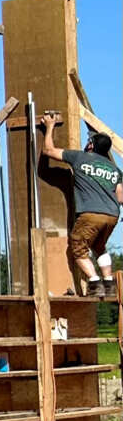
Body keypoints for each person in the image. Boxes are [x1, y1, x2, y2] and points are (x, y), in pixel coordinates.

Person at [38, 112, 122, 295]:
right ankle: (109, 284)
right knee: (99, 246)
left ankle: (94, 283)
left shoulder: (80, 158)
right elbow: (121, 197)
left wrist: (49, 126)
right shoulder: (115, 169)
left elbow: (49, 151)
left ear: (91, 145)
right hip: (112, 215)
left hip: (91, 213)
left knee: (78, 247)